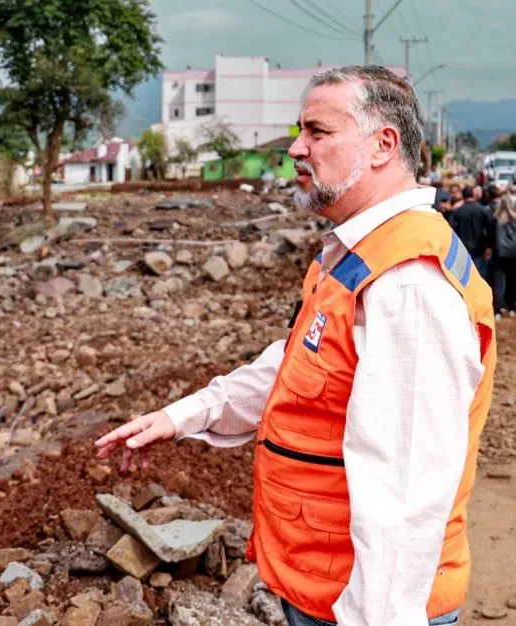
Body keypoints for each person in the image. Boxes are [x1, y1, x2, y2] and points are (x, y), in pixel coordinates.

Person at [95, 65, 495, 626]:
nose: (296, 148)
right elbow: (298, 365)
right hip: (321, 591)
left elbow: (404, 499)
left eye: (317, 132)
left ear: (383, 145)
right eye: (298, 131)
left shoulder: (408, 285)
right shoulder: (356, 255)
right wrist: (184, 415)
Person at [448, 186, 496, 283]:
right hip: (480, 246)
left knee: (465, 276)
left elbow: (450, 228)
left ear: (463, 195)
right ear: (473, 195)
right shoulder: (483, 210)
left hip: (463, 246)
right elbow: (491, 228)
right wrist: (489, 246)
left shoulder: (458, 211)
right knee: (480, 274)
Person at [492, 186, 516, 316]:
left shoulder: (495, 219)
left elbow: (490, 237)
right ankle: (512, 307)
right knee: (513, 281)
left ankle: (498, 310)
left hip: (499, 254)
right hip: (514, 253)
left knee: (499, 282)